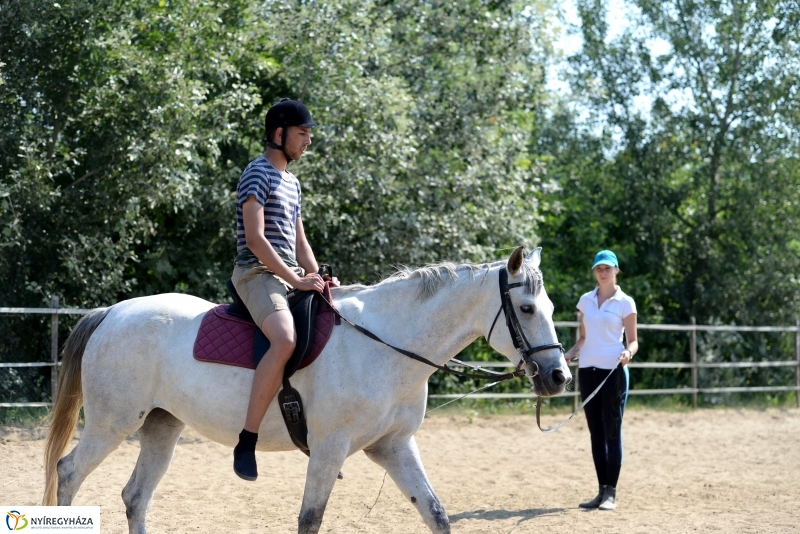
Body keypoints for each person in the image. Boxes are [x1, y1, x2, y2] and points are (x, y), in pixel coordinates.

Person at [231, 98, 338, 481]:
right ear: (279, 134)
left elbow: (300, 242)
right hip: (255, 274)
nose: (308, 141)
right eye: (302, 133)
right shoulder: (256, 173)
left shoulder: (292, 183)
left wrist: (319, 278)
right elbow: (257, 240)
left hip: (288, 274)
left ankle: (315, 433)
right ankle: (246, 440)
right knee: (285, 339)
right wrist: (296, 280)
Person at [564, 250, 638, 511]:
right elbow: (583, 337)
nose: (603, 272)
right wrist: (571, 353)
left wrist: (628, 352)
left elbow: (633, 340)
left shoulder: (625, 302)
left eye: (607, 268)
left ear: (616, 270)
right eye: (598, 269)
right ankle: (600, 491)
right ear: (595, 272)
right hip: (588, 371)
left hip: (613, 371)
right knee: (596, 432)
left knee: (612, 431)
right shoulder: (586, 300)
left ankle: (611, 493)